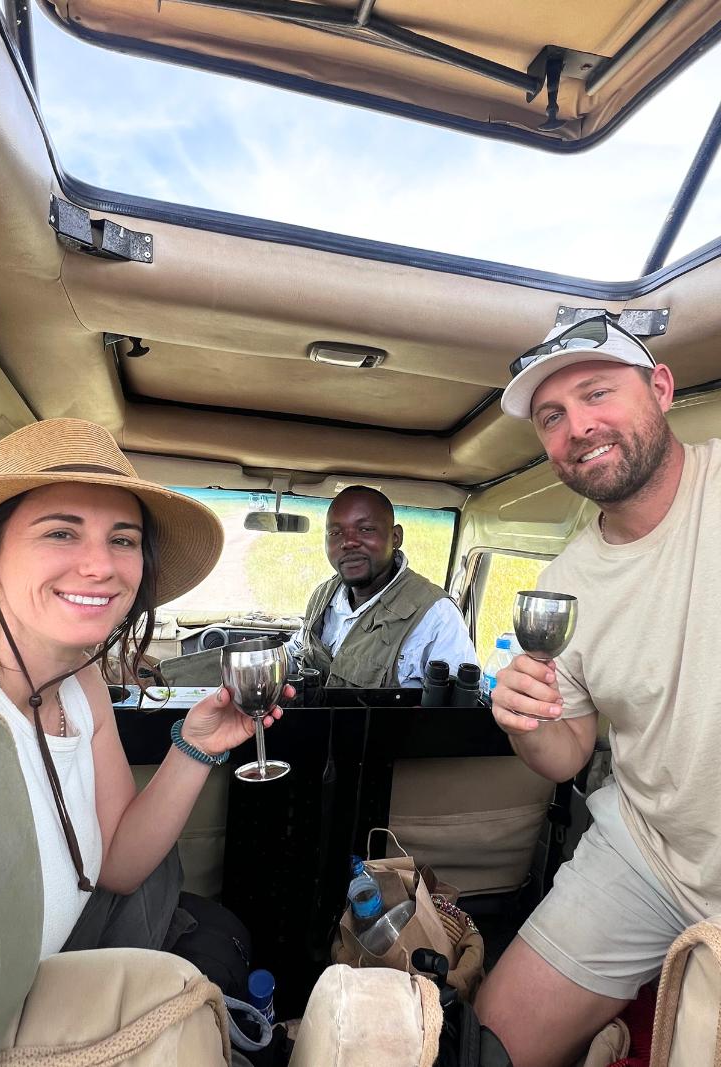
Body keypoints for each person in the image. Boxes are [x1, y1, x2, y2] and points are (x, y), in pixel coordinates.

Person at [0, 418, 289, 964]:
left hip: (83, 945)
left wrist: (195, 746)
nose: (101, 566)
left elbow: (118, 865)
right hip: (14, 1022)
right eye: (60, 533)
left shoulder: (80, 679)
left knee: (225, 939)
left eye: (123, 539)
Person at [474, 314, 721, 1067]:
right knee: (491, 1042)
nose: (578, 425)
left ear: (662, 388)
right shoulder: (564, 581)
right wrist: (523, 716)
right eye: (553, 416)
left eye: (597, 393)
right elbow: (565, 754)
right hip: (650, 847)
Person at [286, 485, 475, 687]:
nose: (348, 542)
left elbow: (458, 707)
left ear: (396, 537)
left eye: (365, 529)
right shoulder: (324, 596)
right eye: (335, 532)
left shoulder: (436, 615)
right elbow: (300, 648)